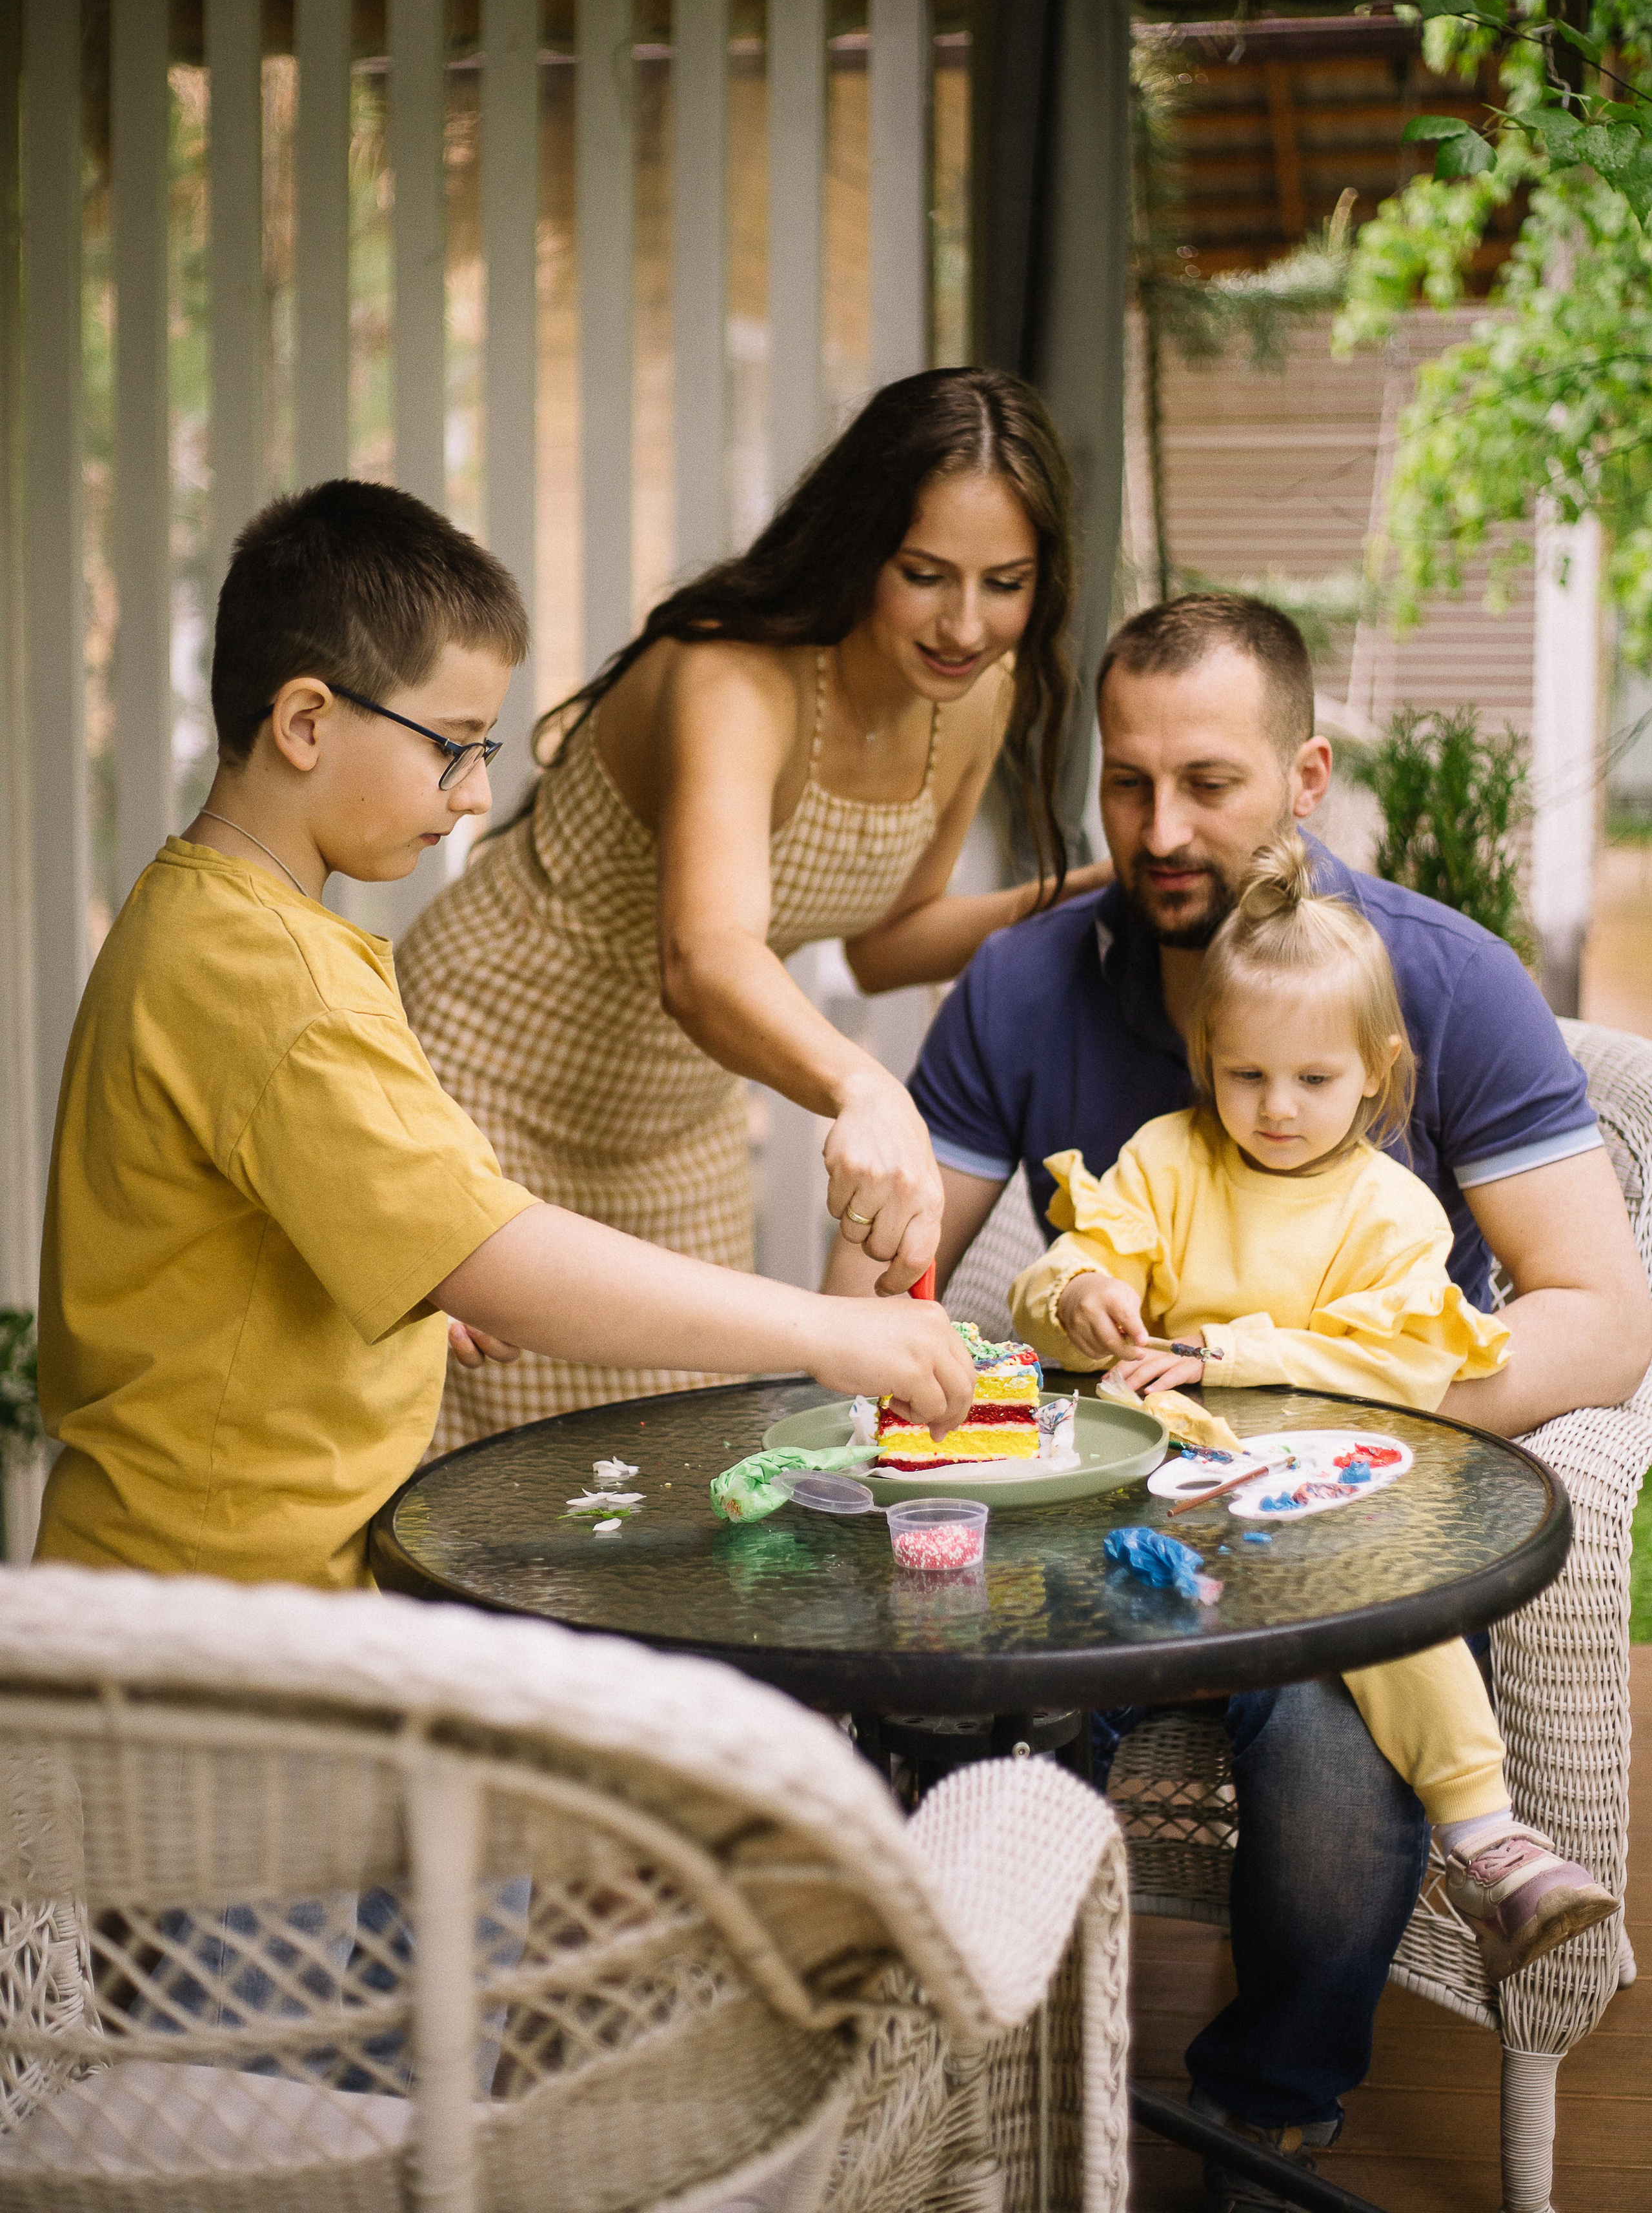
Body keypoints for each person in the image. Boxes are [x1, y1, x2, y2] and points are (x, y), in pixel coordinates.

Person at [827, 591, 1652, 2202]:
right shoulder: (1027, 986)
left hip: (1345, 1502)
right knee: (942, 1688)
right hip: (1098, 1493)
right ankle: (992, 2094)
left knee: (1335, 1736)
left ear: (1304, 775)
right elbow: (874, 1301)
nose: (1158, 827)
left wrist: (1331, 1431)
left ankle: (1266, 2120)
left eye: (1205, 781)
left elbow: (1599, 1325)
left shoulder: (1439, 985)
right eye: (1124, 785)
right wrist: (980, 1294)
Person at [34, 480, 974, 1592]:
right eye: (454, 745)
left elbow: (244, 1236)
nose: (477, 794)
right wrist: (827, 1331)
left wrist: (398, 1304)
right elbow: (498, 1259)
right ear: (304, 722)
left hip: (185, 1571)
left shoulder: (200, 917)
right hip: (224, 1609)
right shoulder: (273, 976)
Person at [398, 367, 1104, 1449]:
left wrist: (1102, 887)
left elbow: (883, 944)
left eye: (1005, 583)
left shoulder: (971, 698)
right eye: (925, 574)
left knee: (689, 1473)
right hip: (488, 1080)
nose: (966, 624)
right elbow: (705, 958)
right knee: (507, 1511)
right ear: (861, 546)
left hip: (672, 1118)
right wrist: (866, 1090)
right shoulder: (732, 674)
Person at [1010, 828, 1616, 1986]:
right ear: (1207, 1055)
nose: (1277, 1108)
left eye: (1314, 1080)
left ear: (1378, 1071)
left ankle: (1487, 1840)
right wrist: (1078, 1292)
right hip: (1161, 1505)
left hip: (1325, 1502)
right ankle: (1017, 1988)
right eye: (1246, 1076)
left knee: (1401, 1603)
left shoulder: (1392, 1212)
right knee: (1029, 1658)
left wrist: (1218, 1351)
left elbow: (1401, 1364)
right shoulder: (1166, 1164)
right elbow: (1073, 1271)